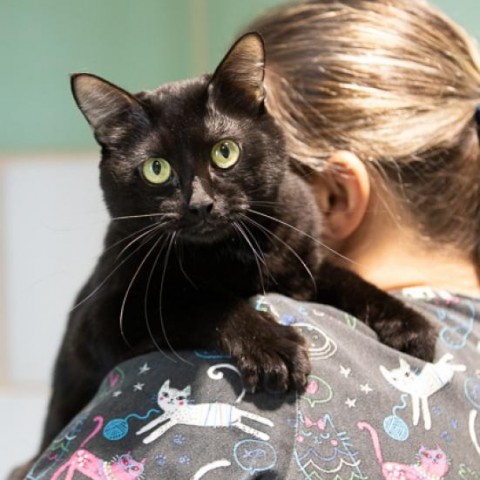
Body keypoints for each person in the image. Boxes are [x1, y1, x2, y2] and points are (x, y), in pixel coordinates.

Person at [17, 0, 480, 478]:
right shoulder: (465, 351)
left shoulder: (215, 390)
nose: (198, 200)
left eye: (224, 154)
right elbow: (109, 328)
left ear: (337, 197)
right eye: (157, 169)